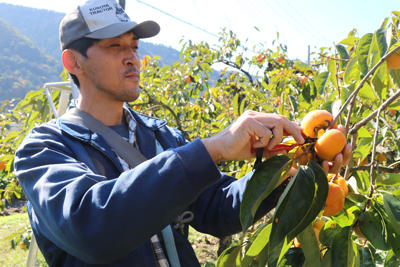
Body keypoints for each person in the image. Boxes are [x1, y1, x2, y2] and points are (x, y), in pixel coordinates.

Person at [14, 0, 352, 266]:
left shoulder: (159, 135)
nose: (132, 57)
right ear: (73, 63)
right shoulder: (44, 149)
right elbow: (91, 226)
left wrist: (289, 175)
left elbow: (218, 209)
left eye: (134, 46)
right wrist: (211, 149)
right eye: (115, 46)